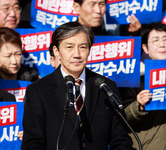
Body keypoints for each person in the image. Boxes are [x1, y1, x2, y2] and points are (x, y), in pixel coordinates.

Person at [22, 22, 132, 149]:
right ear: (56, 51)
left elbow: (121, 141)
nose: (77, 54)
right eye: (69, 47)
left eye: (83, 47)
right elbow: (32, 144)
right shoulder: (38, 90)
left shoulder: (106, 87)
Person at [119, 22, 166, 150]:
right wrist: (138, 106)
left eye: (165, 39)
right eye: (155, 41)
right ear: (145, 48)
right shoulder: (133, 79)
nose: (162, 44)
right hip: (147, 145)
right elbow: (121, 117)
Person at [73, 0, 141, 36]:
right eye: (92, 4)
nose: (98, 10)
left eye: (101, 4)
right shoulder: (66, 36)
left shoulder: (110, 40)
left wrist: (134, 34)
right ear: (77, 7)